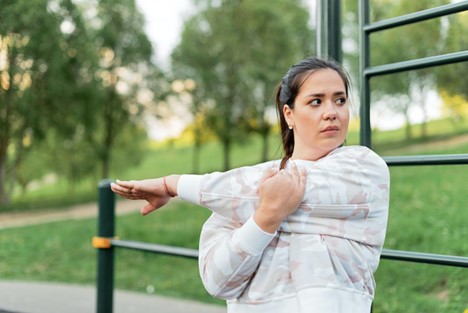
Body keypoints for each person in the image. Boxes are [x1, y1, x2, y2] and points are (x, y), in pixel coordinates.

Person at [111, 56, 390, 313]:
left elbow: (273, 190)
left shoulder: (365, 170)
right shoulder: (236, 191)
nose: (332, 112)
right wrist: (265, 219)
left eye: (340, 100)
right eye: (316, 101)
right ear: (289, 114)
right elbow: (217, 282)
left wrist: (172, 184)